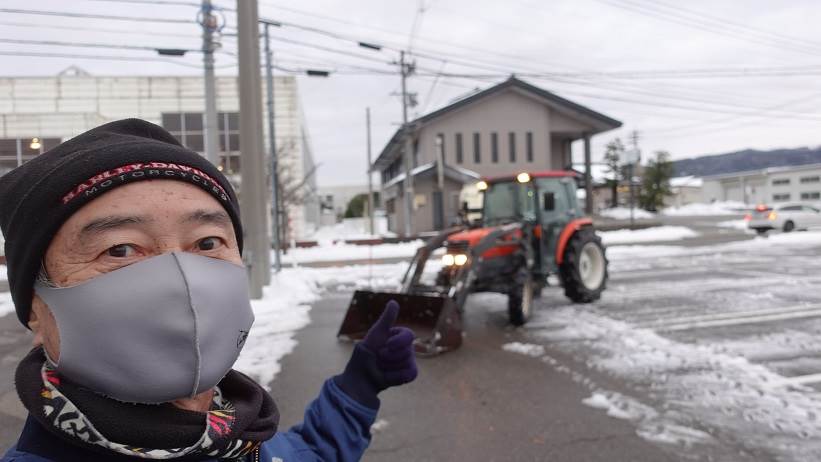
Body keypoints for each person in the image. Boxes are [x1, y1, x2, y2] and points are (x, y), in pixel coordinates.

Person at [0, 119, 418, 461]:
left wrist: (358, 386)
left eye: (206, 243)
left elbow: (306, 453)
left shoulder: (239, 437)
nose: (183, 279)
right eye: (120, 249)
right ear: (35, 307)